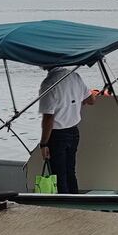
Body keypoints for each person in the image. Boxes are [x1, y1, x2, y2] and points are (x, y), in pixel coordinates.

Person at [38, 66, 95, 194]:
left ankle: (64, 209)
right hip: (74, 132)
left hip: (57, 136)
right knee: (70, 171)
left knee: (59, 176)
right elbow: (91, 100)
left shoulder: (49, 83)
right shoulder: (75, 76)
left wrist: (43, 144)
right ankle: (75, 202)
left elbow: (48, 118)